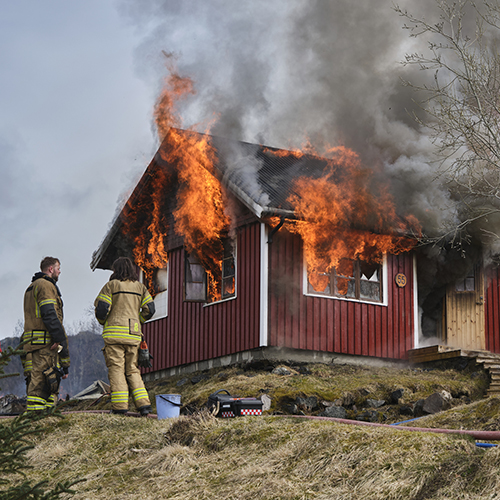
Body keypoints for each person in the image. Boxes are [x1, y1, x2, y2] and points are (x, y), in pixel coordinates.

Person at [94, 256, 156, 416]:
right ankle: (144, 406)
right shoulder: (140, 288)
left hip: (114, 336)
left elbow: (101, 309)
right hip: (133, 335)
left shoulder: (111, 286)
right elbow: (150, 309)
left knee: (117, 369)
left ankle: (120, 407)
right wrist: (138, 321)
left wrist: (104, 321)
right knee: (133, 370)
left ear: (116, 270)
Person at [22, 256, 70, 411]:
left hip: (32, 341)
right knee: (42, 379)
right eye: (58, 268)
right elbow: (50, 313)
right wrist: (58, 338)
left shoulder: (31, 287)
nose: (59, 271)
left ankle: (47, 415)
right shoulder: (46, 286)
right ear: (51, 269)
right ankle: (37, 416)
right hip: (45, 342)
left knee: (42, 378)